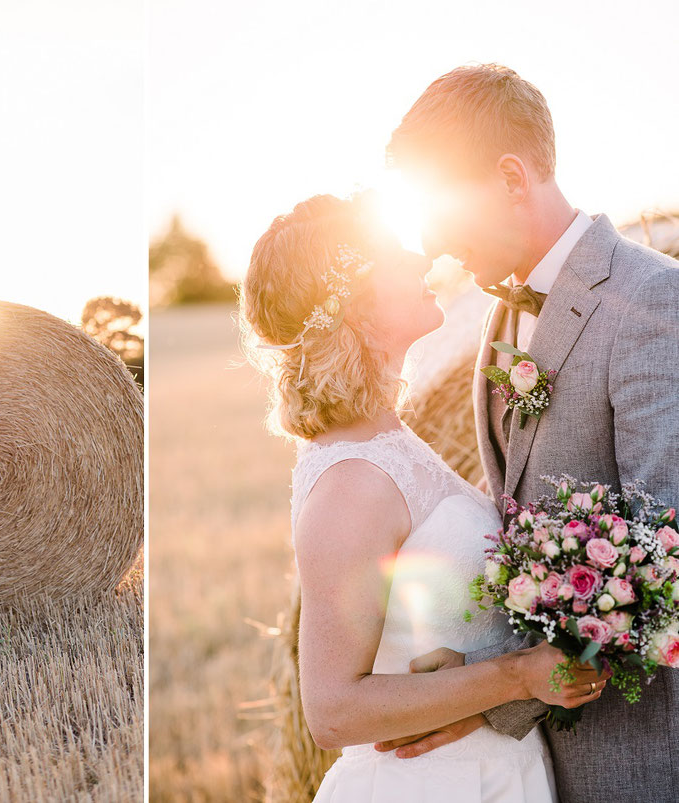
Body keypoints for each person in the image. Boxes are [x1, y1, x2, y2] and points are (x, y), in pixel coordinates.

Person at [240, 192, 609, 801]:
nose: (419, 256)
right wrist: (517, 676)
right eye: (392, 253)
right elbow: (333, 710)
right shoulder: (351, 481)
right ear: (351, 304)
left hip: (491, 773)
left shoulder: (390, 440)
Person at [379, 63, 679, 802]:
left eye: (442, 213)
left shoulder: (652, 301)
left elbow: (665, 562)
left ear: (511, 179)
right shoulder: (495, 318)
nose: (436, 246)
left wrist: (494, 692)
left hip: (637, 758)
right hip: (534, 767)